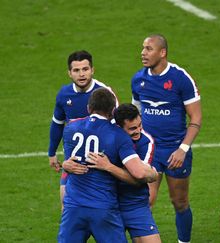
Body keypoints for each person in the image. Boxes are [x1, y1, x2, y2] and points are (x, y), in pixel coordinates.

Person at [58, 88, 158, 243]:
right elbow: (139, 174)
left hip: (75, 206)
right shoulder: (118, 136)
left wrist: (65, 164)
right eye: (133, 128)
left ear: (89, 108)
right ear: (112, 112)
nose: (138, 131)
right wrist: (154, 174)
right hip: (103, 206)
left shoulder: (71, 127)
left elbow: (72, 160)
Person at [131, 34, 202, 243]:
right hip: (149, 150)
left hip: (175, 151)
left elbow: (196, 118)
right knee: (146, 201)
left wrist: (183, 149)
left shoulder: (181, 79)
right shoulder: (138, 79)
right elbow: (136, 114)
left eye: (149, 48)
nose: (143, 53)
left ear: (162, 53)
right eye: (143, 48)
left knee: (179, 202)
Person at [48, 50, 117, 211]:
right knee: (66, 206)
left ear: (92, 70)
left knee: (104, 210)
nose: (81, 74)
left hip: (98, 163)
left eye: (85, 69)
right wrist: (52, 153)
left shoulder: (105, 94)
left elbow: (116, 128)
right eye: (76, 70)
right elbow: (57, 123)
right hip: (73, 162)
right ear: (69, 73)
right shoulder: (64, 94)